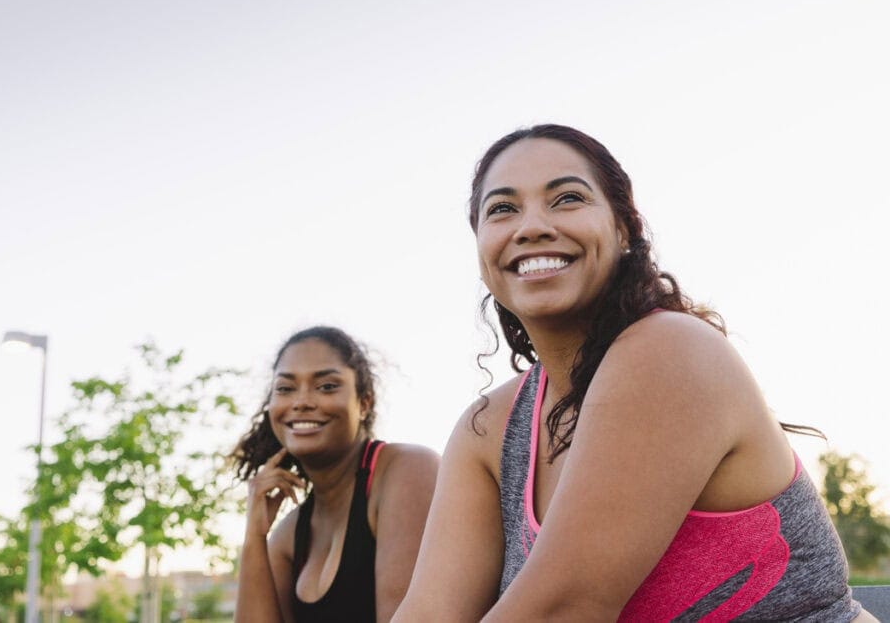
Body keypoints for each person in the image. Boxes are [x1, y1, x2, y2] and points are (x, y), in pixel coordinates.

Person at [393, 125, 875, 621]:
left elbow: (562, 609)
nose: (531, 226)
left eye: (566, 198)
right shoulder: (489, 427)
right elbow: (430, 612)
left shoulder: (671, 353)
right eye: (502, 209)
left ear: (625, 229)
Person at [232, 326, 439, 623]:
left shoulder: (407, 471)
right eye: (285, 388)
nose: (301, 401)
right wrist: (254, 534)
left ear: (364, 403)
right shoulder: (288, 536)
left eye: (327, 386)